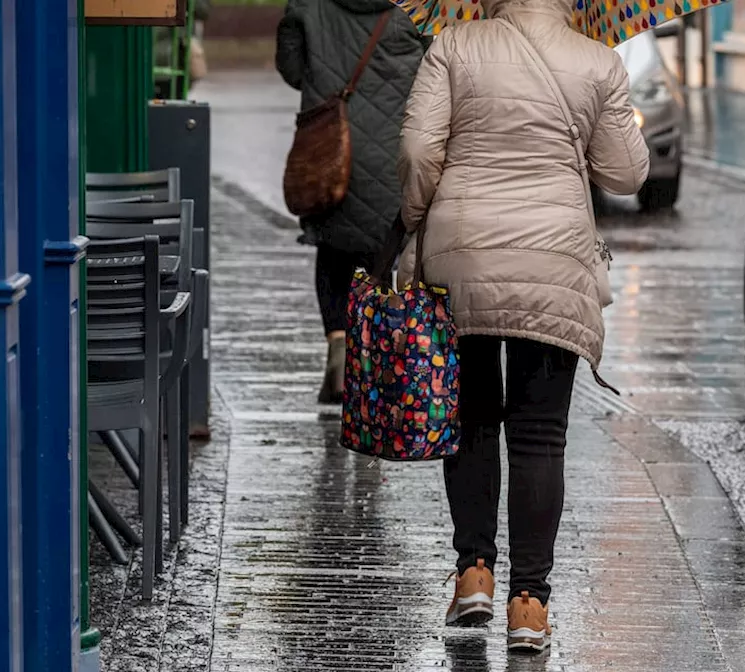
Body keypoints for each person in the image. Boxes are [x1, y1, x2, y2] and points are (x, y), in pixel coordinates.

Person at [397, 0, 650, 653]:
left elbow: (420, 150)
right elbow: (626, 173)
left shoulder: (453, 44)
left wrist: (417, 216)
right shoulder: (598, 60)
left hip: (462, 256)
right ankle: (529, 606)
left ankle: (473, 573)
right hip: (555, 261)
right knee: (540, 436)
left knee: (472, 418)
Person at [275, 0, 426, 403]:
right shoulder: (416, 7)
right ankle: (375, 361)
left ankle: (340, 346)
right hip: (391, 152)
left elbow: (292, 70)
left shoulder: (307, 4)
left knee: (332, 251)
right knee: (382, 254)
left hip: (330, 150)